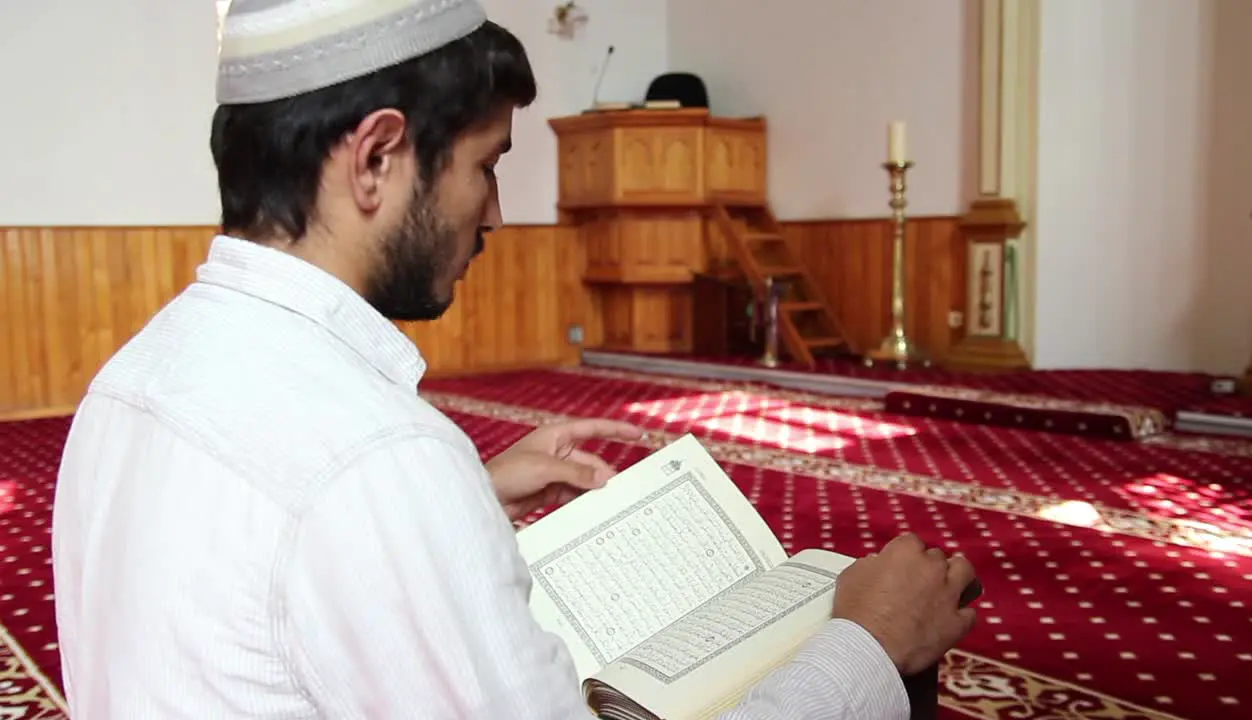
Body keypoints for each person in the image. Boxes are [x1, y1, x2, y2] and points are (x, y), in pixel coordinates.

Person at [50, 1, 978, 717]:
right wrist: (866, 639)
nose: (494, 215)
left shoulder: (133, 379)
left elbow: (246, 563)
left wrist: (461, 502)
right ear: (376, 156)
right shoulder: (378, 461)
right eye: (486, 165)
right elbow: (339, 484)